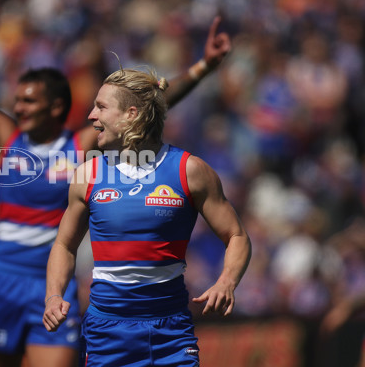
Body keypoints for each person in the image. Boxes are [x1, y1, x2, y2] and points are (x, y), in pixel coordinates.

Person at [0, 0, 231, 367]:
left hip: (50, 281)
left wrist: (202, 68)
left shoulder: (80, 147)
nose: (19, 108)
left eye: (29, 101)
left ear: (56, 107)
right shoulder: (6, 138)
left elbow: (148, 103)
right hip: (1, 279)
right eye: (17, 101)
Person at [43, 68, 251, 366]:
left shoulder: (190, 171)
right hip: (107, 333)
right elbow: (64, 245)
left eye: (101, 107)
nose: (91, 116)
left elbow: (237, 236)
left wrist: (227, 281)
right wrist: (53, 296)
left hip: (172, 333)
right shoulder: (88, 175)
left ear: (131, 114)